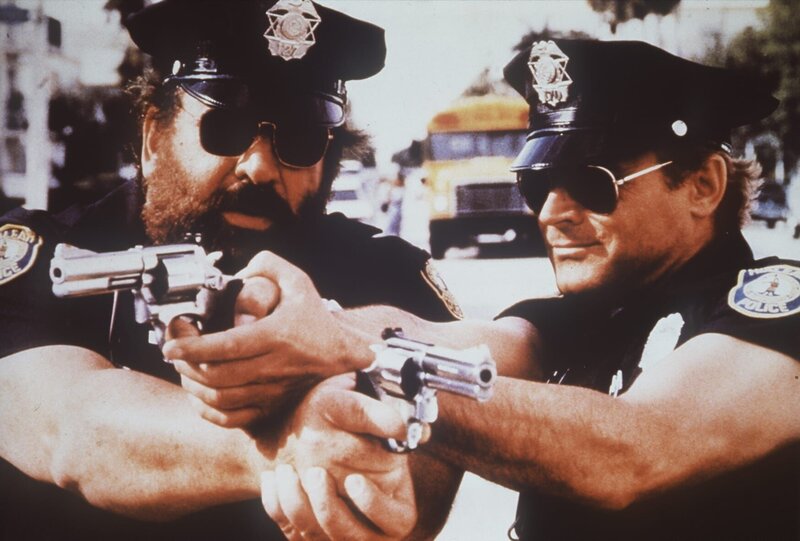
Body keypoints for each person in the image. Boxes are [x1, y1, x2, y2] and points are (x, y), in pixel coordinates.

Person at [166, 39, 800, 540]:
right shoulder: (574, 322)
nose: (551, 213)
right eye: (537, 184)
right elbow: (438, 340)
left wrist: (346, 352)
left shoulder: (778, 308)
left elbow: (630, 448)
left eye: (592, 181)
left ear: (703, 186)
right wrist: (286, 319)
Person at [0, 1, 462, 539]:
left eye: (299, 139)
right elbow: (67, 428)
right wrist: (293, 448)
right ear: (154, 140)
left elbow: (415, 501)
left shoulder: (388, 278)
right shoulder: (45, 258)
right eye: (226, 129)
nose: (260, 167)